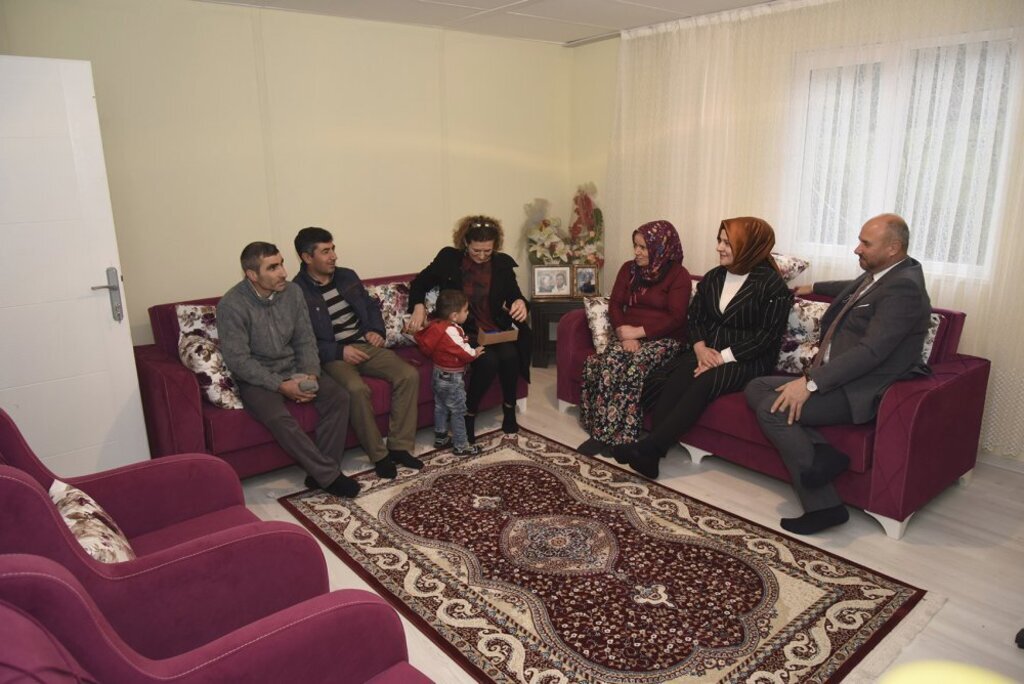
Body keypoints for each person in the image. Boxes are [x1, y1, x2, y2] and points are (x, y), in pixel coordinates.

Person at [745, 213, 931, 535]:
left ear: (893, 248)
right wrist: (813, 286)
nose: (857, 249)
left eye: (865, 243)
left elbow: (871, 352)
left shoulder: (904, 289)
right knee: (757, 387)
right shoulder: (886, 274)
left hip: (862, 389)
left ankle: (825, 507)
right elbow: (853, 289)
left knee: (772, 410)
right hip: (840, 378)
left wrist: (810, 383)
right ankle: (824, 451)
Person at [611, 217, 793, 480]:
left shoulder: (773, 286)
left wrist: (721, 358)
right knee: (674, 378)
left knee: (704, 382)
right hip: (706, 350)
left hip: (746, 359)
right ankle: (651, 456)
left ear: (748, 245)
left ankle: (650, 449)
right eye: (719, 241)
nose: (719, 247)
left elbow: (765, 338)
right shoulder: (714, 276)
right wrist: (699, 349)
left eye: (727, 243)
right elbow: (694, 318)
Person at [218, 242, 359, 498]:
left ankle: (320, 472)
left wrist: (310, 373)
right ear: (252, 274)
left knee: (338, 397)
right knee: (278, 417)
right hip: (257, 377)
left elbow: (305, 338)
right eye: (273, 268)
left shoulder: (293, 292)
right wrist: (280, 385)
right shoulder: (232, 305)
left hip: (294, 366)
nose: (283, 272)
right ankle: (329, 475)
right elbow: (239, 361)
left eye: (282, 264)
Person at [292, 227, 423, 479]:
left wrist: (376, 330)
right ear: (307, 257)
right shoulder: (296, 292)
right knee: (356, 389)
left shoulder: (347, 276)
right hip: (333, 355)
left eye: (333, 249)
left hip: (364, 343)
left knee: (408, 375)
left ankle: (399, 447)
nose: (334, 256)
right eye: (325, 251)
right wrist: (340, 350)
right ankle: (379, 455)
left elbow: (370, 306)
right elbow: (302, 340)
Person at [407, 215, 531, 443]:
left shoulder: (501, 264)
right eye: (476, 251)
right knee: (488, 360)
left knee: (511, 355)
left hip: (493, 327)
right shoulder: (449, 259)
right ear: (465, 242)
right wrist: (418, 306)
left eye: (488, 251)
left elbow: (515, 294)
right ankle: (469, 415)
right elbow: (419, 283)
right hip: (462, 329)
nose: (482, 256)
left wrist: (520, 303)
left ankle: (509, 409)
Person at [577, 220, 690, 456]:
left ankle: (623, 438)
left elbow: (677, 317)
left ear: (660, 248)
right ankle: (601, 435)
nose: (636, 252)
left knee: (634, 366)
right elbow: (615, 305)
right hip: (629, 335)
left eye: (643, 247)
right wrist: (622, 332)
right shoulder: (628, 269)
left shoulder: (679, 275)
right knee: (609, 359)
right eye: (635, 246)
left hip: (666, 340)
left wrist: (638, 332)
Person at [415, 290, 483, 456]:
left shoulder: (436, 324)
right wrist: (474, 353)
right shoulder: (450, 330)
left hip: (438, 373)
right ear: (454, 315)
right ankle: (461, 445)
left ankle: (441, 437)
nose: (467, 313)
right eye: (465, 310)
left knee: (441, 406)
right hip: (451, 378)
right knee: (458, 411)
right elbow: (462, 350)